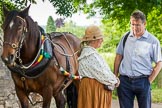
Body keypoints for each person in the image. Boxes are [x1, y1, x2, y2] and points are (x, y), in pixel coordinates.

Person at [114, 10, 162, 108]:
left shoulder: (153, 41)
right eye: (132, 24)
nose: (134, 28)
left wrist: (149, 81)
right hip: (124, 82)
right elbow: (118, 56)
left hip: (143, 81)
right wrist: (115, 76)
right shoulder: (125, 37)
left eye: (137, 25)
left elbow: (159, 63)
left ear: (144, 24)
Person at [77, 25, 120, 108]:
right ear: (94, 40)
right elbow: (102, 74)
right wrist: (115, 80)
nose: (102, 40)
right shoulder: (91, 55)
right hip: (94, 89)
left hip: (87, 87)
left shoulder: (86, 53)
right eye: (100, 38)